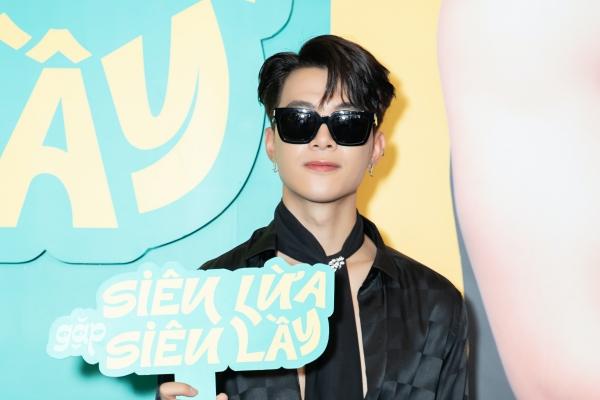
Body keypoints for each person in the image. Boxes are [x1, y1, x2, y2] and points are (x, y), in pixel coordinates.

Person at [158, 34, 468, 400]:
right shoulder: (206, 297)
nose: (323, 139)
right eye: (300, 120)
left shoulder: (434, 303)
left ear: (376, 148)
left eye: (348, 122)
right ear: (272, 142)